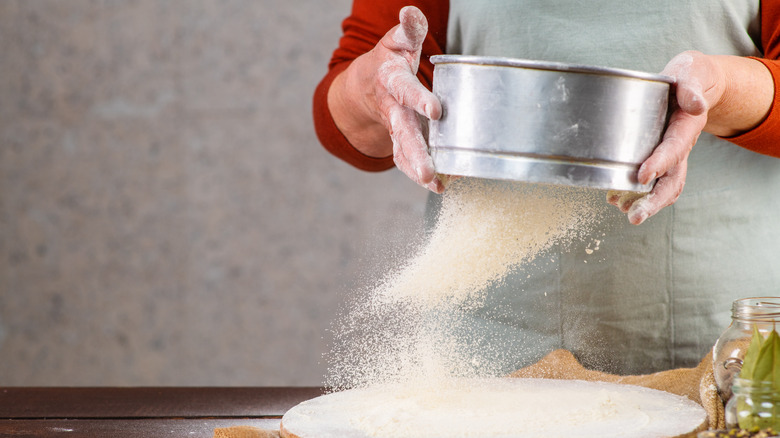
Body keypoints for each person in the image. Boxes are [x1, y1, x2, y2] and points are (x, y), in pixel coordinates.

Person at [313, 1, 780, 375]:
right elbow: (350, 105)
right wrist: (374, 90)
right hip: (491, 344)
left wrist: (720, 89)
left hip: (722, 347)